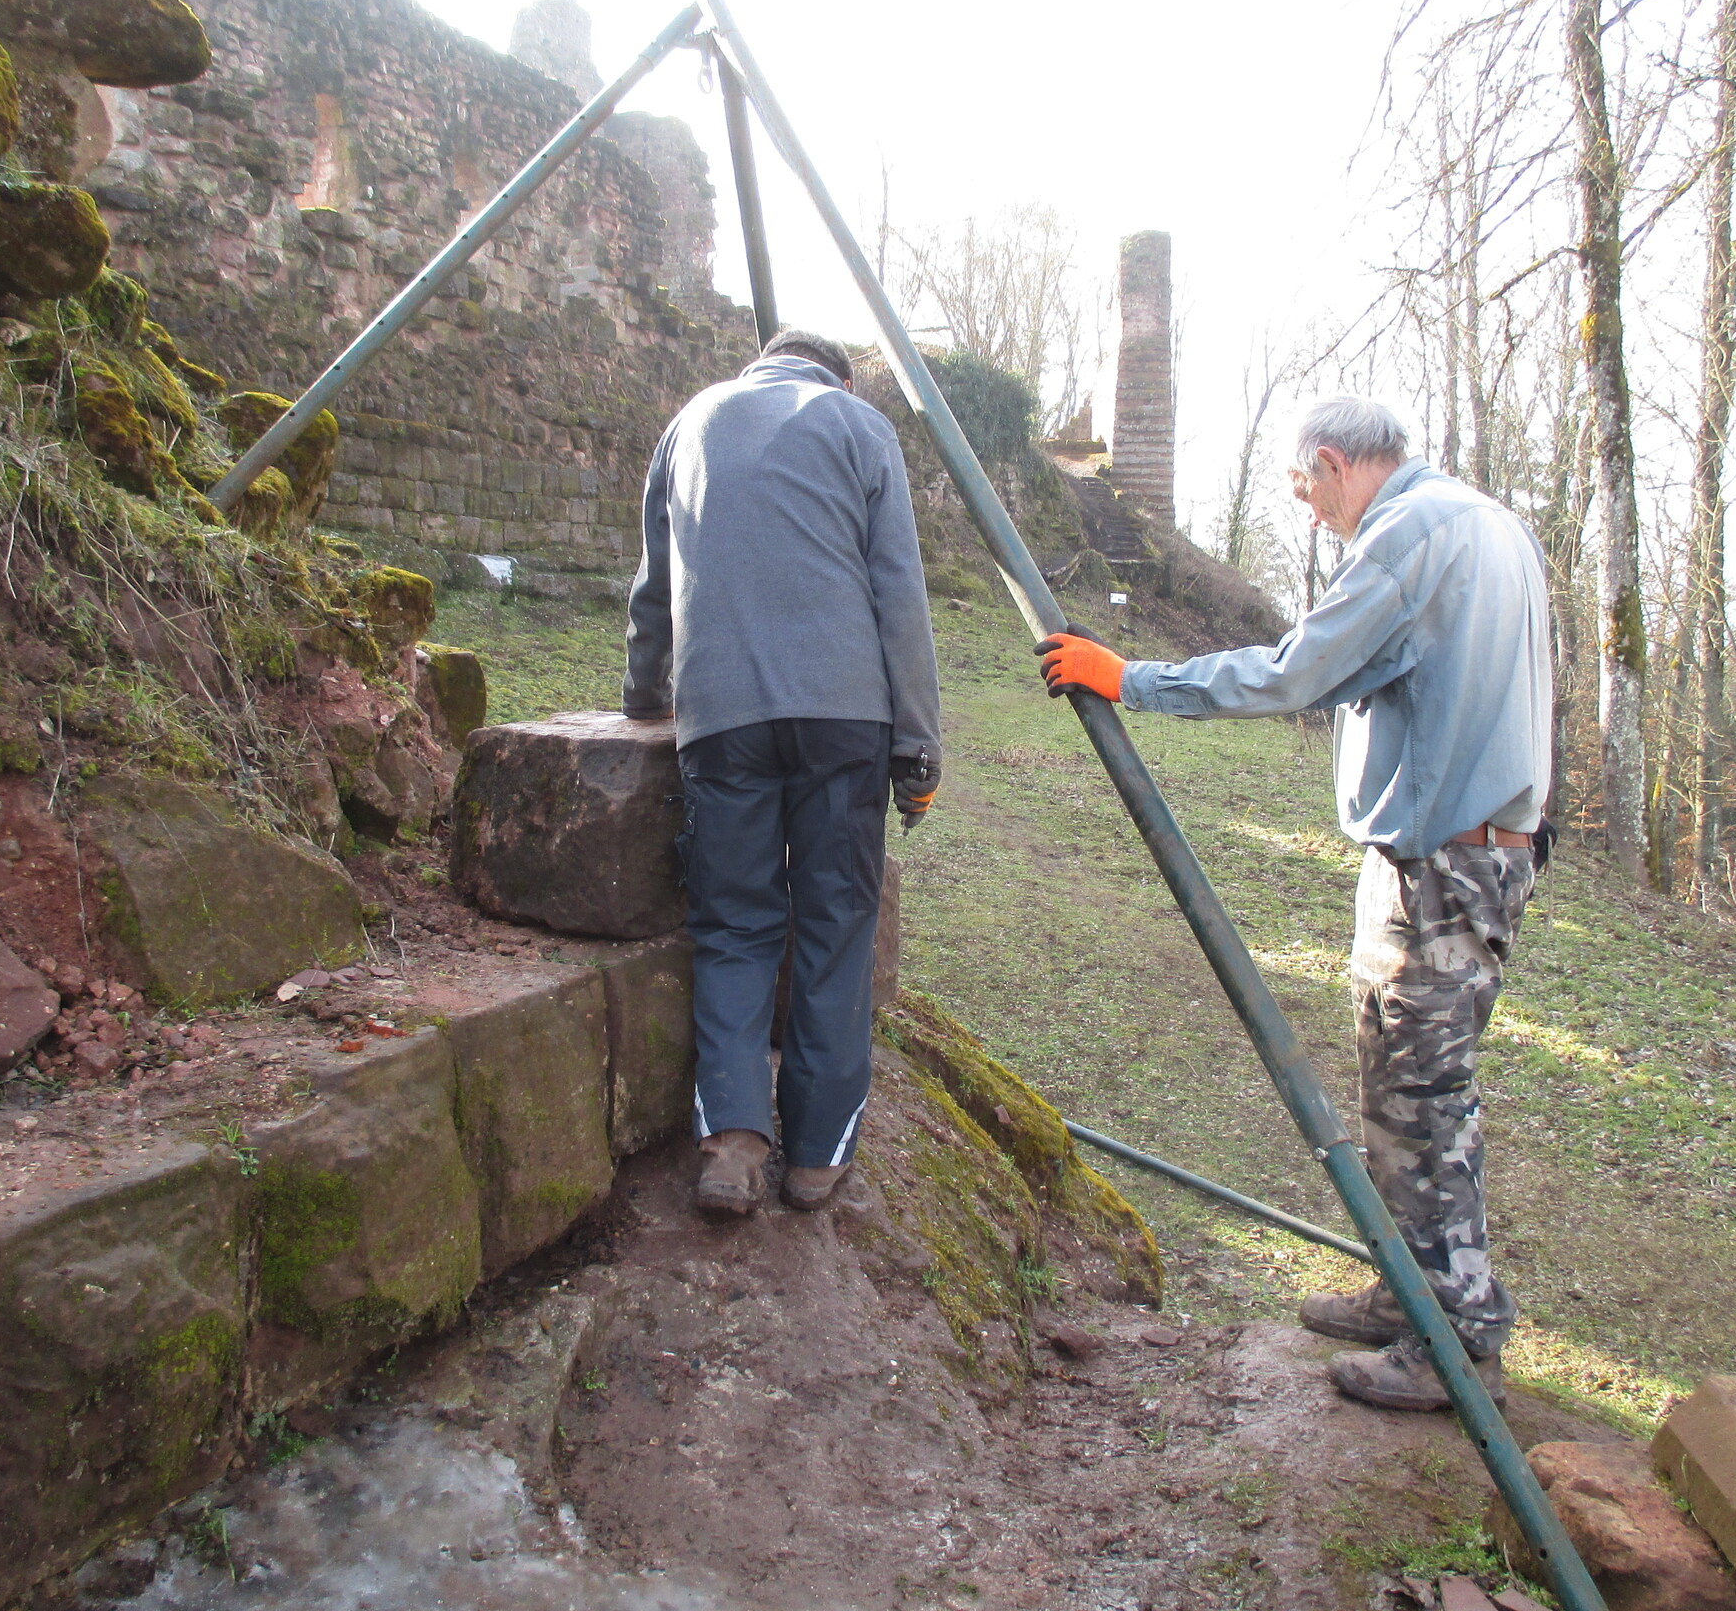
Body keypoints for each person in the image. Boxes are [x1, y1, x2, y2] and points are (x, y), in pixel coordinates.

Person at [1032, 396, 1551, 1412]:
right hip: (1475, 851)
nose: (1310, 510)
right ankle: (1410, 1290)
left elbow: (1294, 672)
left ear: (1334, 463)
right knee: (1399, 1079)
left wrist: (1131, 678)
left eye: (1306, 488)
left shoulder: (1407, 536)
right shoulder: (1489, 524)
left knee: (1422, 1094)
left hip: (1442, 867)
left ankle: (1454, 1337)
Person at [624, 328, 942, 1218]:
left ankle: (731, 1145)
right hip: (845, 716)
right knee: (835, 924)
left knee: (733, 924)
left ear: (760, 365)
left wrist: (643, 694)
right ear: (840, 379)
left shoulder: (689, 424)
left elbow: (655, 584)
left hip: (720, 713)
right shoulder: (859, 427)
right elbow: (899, 594)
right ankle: (815, 1156)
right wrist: (918, 747)